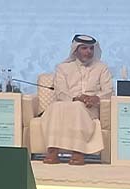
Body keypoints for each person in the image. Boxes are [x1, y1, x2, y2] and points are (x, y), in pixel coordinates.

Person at [40, 34, 112, 165]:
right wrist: (76, 98)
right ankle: (52, 151)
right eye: (84, 48)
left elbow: (109, 91)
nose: (88, 51)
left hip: (89, 108)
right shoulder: (63, 68)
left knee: (78, 107)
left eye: (91, 48)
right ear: (75, 50)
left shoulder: (102, 68)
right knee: (55, 106)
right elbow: (60, 91)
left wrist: (96, 98)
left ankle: (78, 151)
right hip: (67, 103)